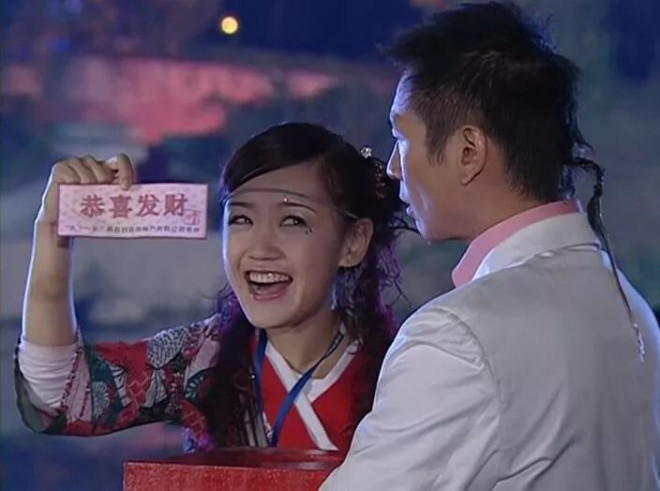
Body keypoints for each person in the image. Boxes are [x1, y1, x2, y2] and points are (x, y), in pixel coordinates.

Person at [322, 2, 660, 489]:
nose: (394, 168)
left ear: (468, 151)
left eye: (402, 138)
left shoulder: (457, 338)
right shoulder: (629, 307)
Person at [16, 122, 408, 453]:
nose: (260, 248)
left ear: (353, 241)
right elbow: (62, 394)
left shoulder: (403, 371)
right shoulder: (201, 358)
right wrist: (52, 233)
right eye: (241, 219)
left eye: (292, 221)